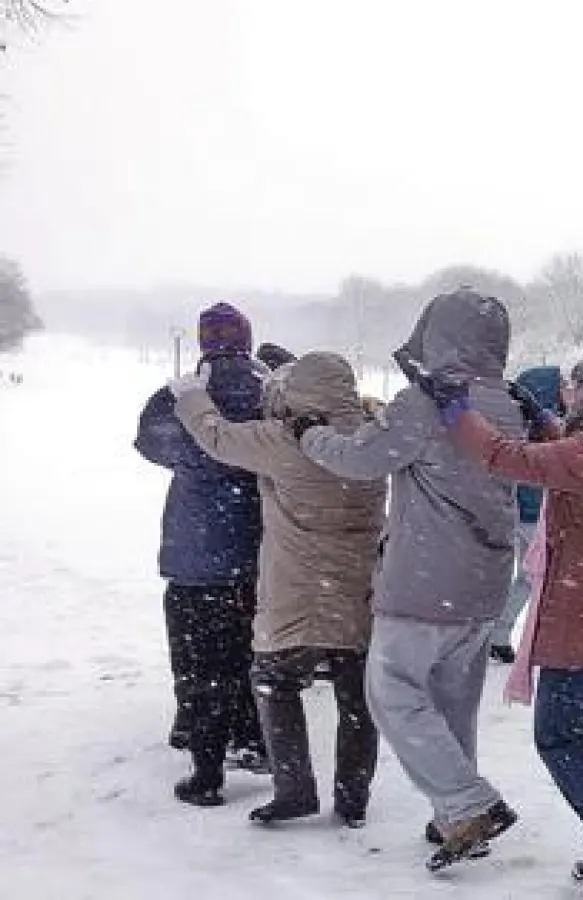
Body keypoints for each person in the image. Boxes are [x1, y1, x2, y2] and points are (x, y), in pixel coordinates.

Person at [297, 289, 524, 870]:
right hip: (486, 577)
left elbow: (360, 460)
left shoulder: (426, 403)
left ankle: (468, 801)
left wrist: (308, 435)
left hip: (428, 578)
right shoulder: (506, 403)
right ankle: (455, 816)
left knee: (392, 691)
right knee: (453, 700)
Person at [436, 345, 583, 900]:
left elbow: (500, 457)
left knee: (559, 737)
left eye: (580, 388)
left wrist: (454, 412)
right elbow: (566, 455)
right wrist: (543, 419)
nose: (573, 396)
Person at [171, 352, 385, 827]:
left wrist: (191, 397)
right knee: (357, 699)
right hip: (359, 593)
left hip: (297, 595)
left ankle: (294, 789)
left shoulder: (286, 440)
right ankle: (353, 798)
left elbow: (216, 437)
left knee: (274, 682)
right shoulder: (376, 440)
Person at [133, 302, 267, 805]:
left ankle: (200, 746)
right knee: (250, 648)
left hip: (194, 547)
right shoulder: (268, 388)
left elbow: (148, 441)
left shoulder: (180, 394)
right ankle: (253, 733)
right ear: (247, 339)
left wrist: (194, 466)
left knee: (196, 653)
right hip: (258, 541)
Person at [491, 365, 566, 664]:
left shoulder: (524, 424)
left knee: (526, 576)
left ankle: (496, 633)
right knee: (532, 576)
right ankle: (499, 633)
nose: (566, 388)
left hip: (524, 511)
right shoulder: (539, 430)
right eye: (561, 383)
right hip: (530, 514)